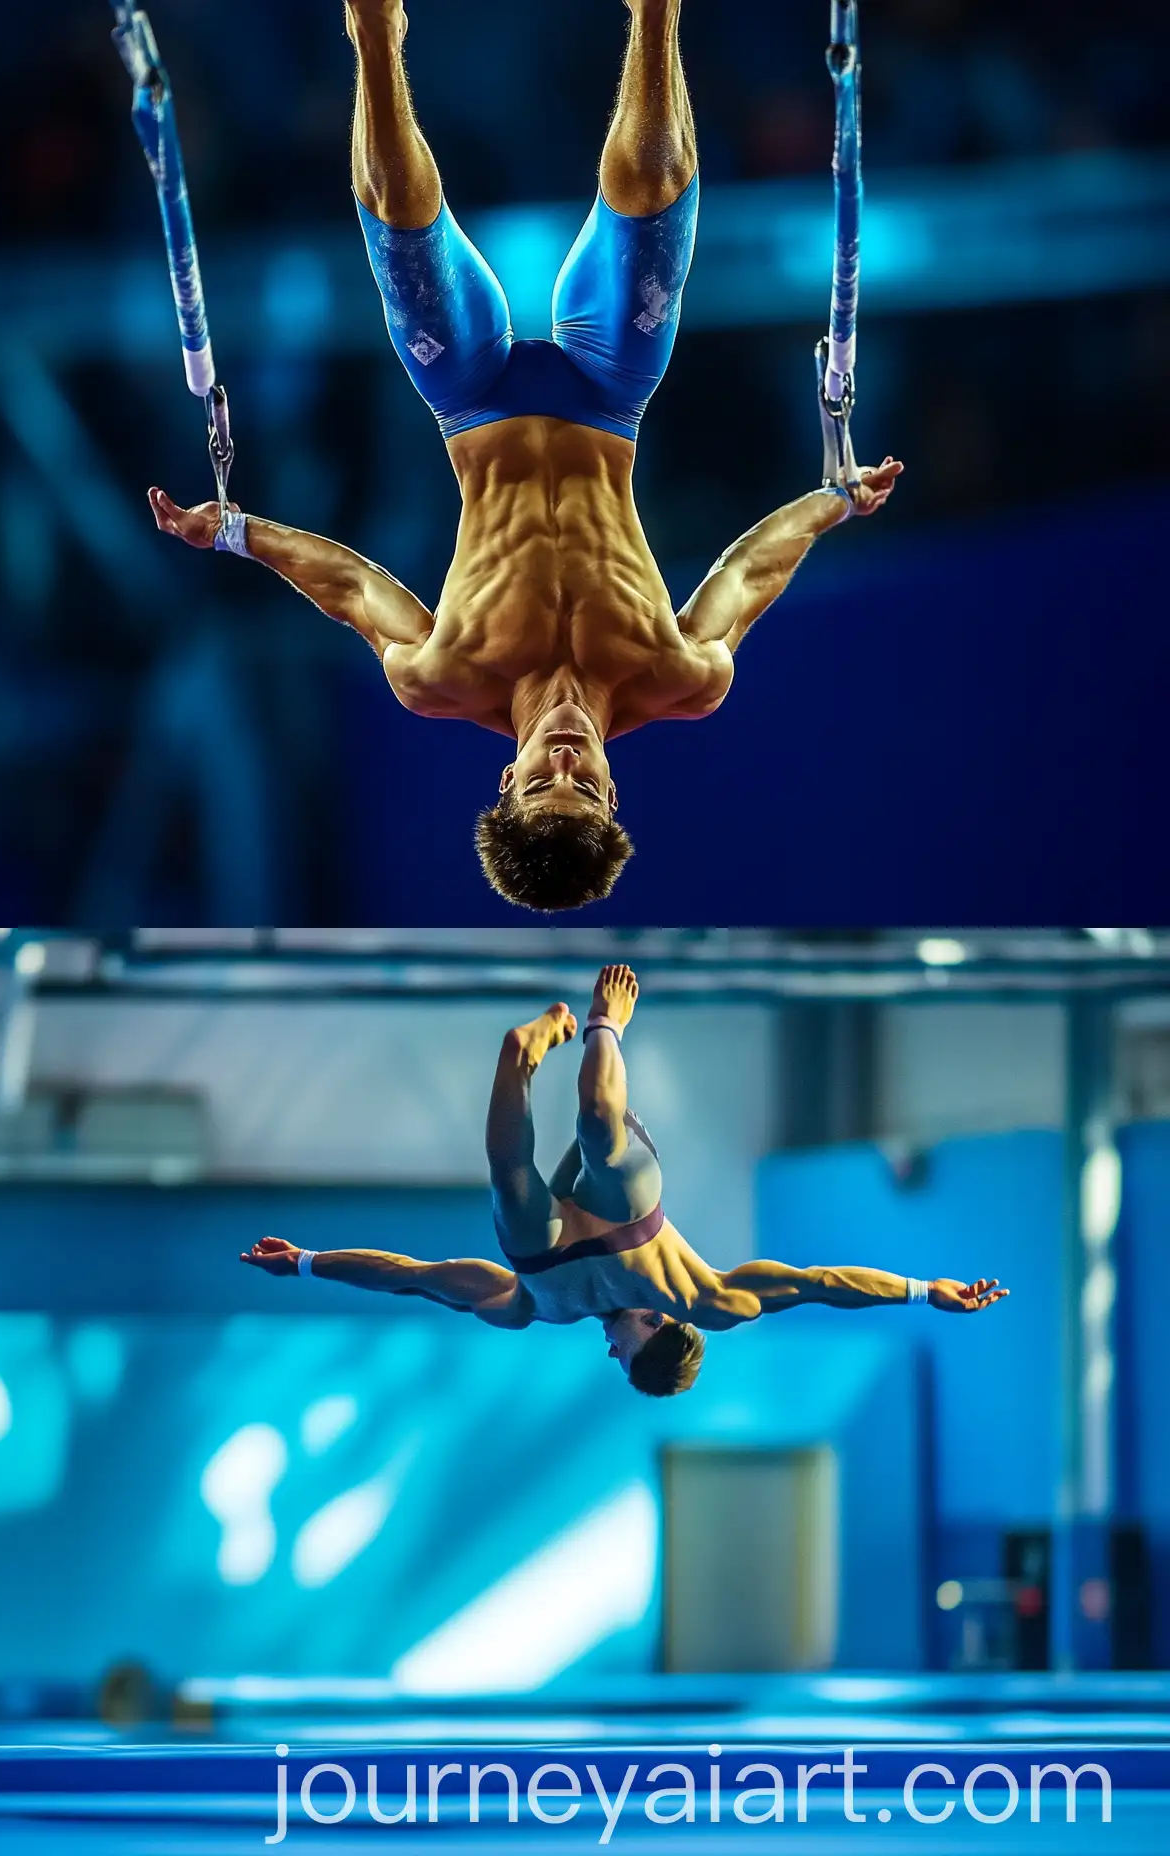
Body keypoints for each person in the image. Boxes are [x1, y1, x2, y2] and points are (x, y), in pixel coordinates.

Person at [151, 0, 900, 910]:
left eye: (547, 779)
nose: (568, 758)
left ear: (506, 784)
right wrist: (833, 503)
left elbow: (351, 591)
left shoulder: (443, 675)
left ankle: (374, 29)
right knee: (657, 173)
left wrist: (235, 532)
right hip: (606, 389)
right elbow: (748, 576)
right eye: (588, 784)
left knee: (395, 202)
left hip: (471, 396)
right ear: (614, 792)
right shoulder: (677, 676)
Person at [242, 964, 1006, 1396]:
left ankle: (525, 1049)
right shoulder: (707, 1299)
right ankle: (605, 1022)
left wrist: (307, 1261)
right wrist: (921, 1290)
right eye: (631, 1350)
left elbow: (412, 1278)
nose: (610, 1350)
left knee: (510, 1180)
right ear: (665, 1328)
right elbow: (821, 1282)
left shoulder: (533, 1309)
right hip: (627, 1209)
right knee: (600, 1134)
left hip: (547, 1251)